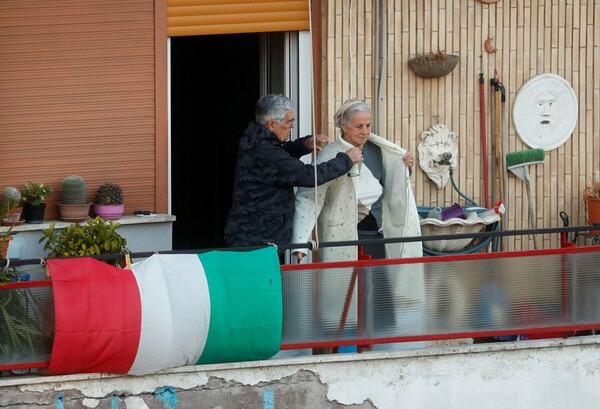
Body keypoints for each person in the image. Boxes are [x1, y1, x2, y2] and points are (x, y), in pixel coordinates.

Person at [291, 98, 424, 351]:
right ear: (342, 125)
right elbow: (309, 198)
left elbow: (392, 184)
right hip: (346, 236)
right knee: (345, 301)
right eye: (358, 126)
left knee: (378, 299)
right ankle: (345, 349)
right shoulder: (329, 155)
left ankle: (378, 349)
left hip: (377, 233)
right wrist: (300, 243)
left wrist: (404, 168)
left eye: (368, 125)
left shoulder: (376, 149)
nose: (364, 132)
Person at [224, 94, 363, 262]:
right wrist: (345, 160)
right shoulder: (266, 154)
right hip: (258, 243)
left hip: (249, 236)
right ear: (272, 124)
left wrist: (304, 145)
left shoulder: (254, 141)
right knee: (260, 288)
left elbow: (281, 153)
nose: (291, 127)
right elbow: (309, 176)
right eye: (288, 123)